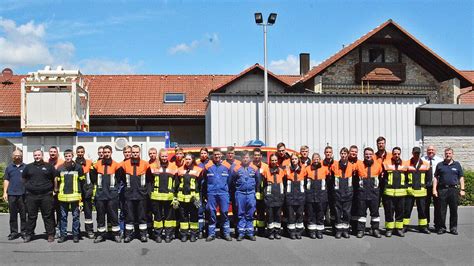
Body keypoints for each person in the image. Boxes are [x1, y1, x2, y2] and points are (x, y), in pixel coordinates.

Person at [22, 149, 56, 242]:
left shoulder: (49, 166)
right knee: (31, 216)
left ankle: (50, 234)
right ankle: (29, 234)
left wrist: (55, 190)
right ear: (34, 156)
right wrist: (29, 188)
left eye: (39, 155)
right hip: (31, 196)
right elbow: (24, 179)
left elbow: (55, 179)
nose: (37, 157)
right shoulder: (28, 167)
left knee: (48, 215)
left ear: (42, 155)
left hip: (46, 195)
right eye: (35, 155)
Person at [90, 145, 122, 243]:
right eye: (105, 152)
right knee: (100, 216)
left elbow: (119, 178)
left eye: (108, 152)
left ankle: (116, 234)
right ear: (102, 153)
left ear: (111, 153)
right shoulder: (96, 165)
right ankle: (100, 235)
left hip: (112, 195)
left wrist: (114, 190)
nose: (106, 154)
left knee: (113, 215)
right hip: (100, 194)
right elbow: (93, 177)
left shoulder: (117, 165)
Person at [118, 145, 150, 243]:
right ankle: (128, 235)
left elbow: (149, 180)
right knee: (129, 216)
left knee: (142, 216)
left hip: (142, 195)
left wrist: (147, 192)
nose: (135, 154)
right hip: (129, 195)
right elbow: (120, 178)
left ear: (139, 152)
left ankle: (143, 235)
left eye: (137, 152)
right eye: (133, 152)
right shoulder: (124, 164)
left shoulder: (145, 164)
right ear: (131, 153)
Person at [55, 149, 85, 243]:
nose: (68, 158)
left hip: (75, 196)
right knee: (63, 217)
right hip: (63, 196)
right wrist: (56, 189)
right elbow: (57, 180)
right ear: (64, 157)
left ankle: (75, 235)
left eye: (69, 156)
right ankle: (63, 235)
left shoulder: (78, 167)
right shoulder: (60, 168)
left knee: (75, 217)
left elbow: (82, 182)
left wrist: (81, 196)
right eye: (66, 156)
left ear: (72, 156)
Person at [433, 148, 465, 235]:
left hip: (453, 190)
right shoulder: (440, 165)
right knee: (441, 210)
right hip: (442, 190)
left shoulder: (457, 165)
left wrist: (462, 189)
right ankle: (442, 228)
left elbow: (461, 177)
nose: (448, 155)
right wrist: (434, 189)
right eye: (446, 153)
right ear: (444, 154)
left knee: (454, 210)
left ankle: (453, 228)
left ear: (452, 154)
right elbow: (436, 178)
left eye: (449, 153)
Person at [148, 148, 178, 243]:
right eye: (162, 156)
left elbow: (176, 182)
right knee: (158, 217)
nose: (164, 158)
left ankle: (168, 235)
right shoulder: (153, 166)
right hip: (156, 196)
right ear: (159, 157)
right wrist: (149, 193)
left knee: (169, 218)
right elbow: (149, 181)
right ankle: (158, 235)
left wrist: (175, 195)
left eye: (165, 156)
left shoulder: (173, 167)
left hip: (169, 196)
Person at [203, 148, 232, 241]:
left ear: (221, 155)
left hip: (223, 193)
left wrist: (228, 192)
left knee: (224, 212)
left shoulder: (227, 166)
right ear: (212, 155)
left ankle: (226, 233)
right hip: (211, 193)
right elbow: (204, 180)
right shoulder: (208, 166)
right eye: (215, 154)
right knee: (212, 213)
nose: (217, 156)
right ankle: (211, 234)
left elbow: (230, 181)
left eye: (218, 154)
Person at [355, 147, 383, 238]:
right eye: (366, 154)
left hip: (374, 193)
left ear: (373, 155)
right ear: (364, 155)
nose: (368, 156)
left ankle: (375, 229)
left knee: (375, 213)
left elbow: (381, 178)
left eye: (370, 154)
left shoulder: (378, 165)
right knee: (361, 213)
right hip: (362, 194)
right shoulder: (358, 165)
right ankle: (360, 230)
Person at [231, 151, 259, 241]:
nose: (245, 159)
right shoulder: (236, 168)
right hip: (240, 194)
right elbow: (232, 181)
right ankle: (241, 233)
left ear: (249, 158)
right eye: (243, 158)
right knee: (240, 213)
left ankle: (250, 233)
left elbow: (258, 181)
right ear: (241, 159)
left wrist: (255, 191)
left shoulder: (254, 168)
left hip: (251, 193)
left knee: (250, 213)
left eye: (247, 157)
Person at [175, 153, 202, 242]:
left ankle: (194, 235)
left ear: (193, 160)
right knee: (183, 217)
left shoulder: (199, 170)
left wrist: (199, 198)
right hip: (182, 198)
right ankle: (184, 234)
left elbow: (200, 186)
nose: (187, 161)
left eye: (189, 159)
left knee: (194, 217)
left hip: (193, 198)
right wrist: (175, 197)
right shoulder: (179, 170)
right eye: (186, 159)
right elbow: (177, 185)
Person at [382, 147, 408, 237]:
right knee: (389, 212)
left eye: (398, 154)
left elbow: (408, 177)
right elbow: (383, 178)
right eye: (395, 154)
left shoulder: (405, 164)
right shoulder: (386, 163)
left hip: (401, 193)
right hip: (389, 193)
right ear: (392, 154)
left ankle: (399, 229)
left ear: (400, 154)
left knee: (400, 212)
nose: (396, 155)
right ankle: (389, 229)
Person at [404, 147, 430, 234]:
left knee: (422, 210)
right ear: (412, 153)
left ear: (420, 154)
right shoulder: (407, 163)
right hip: (410, 191)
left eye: (418, 153)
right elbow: (404, 177)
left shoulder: (426, 164)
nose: (416, 155)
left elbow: (429, 178)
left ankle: (423, 227)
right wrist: (407, 186)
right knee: (407, 210)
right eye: (415, 153)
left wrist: (425, 186)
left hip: (421, 191)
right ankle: (405, 226)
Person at [330, 147, 355, 239]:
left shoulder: (352, 166)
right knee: (337, 213)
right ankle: (338, 231)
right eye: (342, 153)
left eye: (345, 153)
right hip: (337, 193)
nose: (343, 155)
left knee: (347, 213)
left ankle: (345, 230)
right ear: (340, 154)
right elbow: (331, 180)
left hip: (348, 194)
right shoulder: (334, 165)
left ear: (347, 155)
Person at [304, 153, 330, 239]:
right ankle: (312, 231)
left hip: (321, 196)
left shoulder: (325, 169)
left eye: (317, 158)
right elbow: (303, 182)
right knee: (311, 214)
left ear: (320, 159)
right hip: (310, 195)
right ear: (312, 160)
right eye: (314, 158)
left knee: (320, 213)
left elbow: (329, 182)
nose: (316, 160)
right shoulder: (307, 169)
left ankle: (319, 231)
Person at [3, 149, 27, 240]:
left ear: (21, 156)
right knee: (12, 214)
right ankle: (13, 232)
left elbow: (29, 180)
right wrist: (5, 192)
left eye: (19, 155)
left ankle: (24, 232)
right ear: (12, 157)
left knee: (23, 214)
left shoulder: (26, 167)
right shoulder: (9, 168)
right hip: (12, 194)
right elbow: (6, 180)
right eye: (15, 155)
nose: (17, 156)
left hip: (23, 194)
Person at [263, 154, 285, 240]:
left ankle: (277, 232)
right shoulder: (266, 171)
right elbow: (263, 185)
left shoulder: (281, 171)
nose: (274, 162)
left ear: (277, 161)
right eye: (272, 160)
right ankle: (270, 232)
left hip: (279, 197)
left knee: (278, 216)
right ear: (270, 161)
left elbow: (284, 184)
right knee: (270, 216)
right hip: (269, 198)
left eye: (275, 160)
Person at [421, 145, 443, 230]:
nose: (431, 151)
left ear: (435, 151)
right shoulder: (422, 160)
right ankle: (425, 224)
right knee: (425, 206)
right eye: (429, 150)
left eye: (432, 150)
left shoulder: (440, 160)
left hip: (437, 186)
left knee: (438, 206)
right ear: (426, 151)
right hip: (425, 186)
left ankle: (437, 224)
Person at [285, 153, 306, 240]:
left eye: (295, 159)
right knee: (291, 215)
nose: (294, 160)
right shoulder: (287, 169)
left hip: (300, 196)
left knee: (299, 215)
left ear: (298, 160)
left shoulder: (303, 169)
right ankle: (292, 232)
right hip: (290, 196)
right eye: (292, 159)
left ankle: (299, 232)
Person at [75, 146, 95, 239]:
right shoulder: (73, 163)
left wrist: (90, 189)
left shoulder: (89, 163)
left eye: (81, 152)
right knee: (76, 212)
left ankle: (89, 230)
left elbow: (93, 177)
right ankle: (76, 230)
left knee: (88, 212)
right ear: (76, 153)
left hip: (87, 190)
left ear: (84, 152)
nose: (80, 153)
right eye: (78, 152)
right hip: (76, 191)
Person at [251, 148, 269, 236]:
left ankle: (261, 231)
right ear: (252, 156)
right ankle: (252, 230)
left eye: (258, 155)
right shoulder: (249, 166)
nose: (257, 157)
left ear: (261, 156)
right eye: (255, 155)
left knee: (261, 213)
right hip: (251, 193)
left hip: (262, 194)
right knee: (252, 212)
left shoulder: (265, 167)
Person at [47, 146, 64, 239]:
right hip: (49, 192)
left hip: (60, 191)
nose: (52, 153)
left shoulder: (62, 163)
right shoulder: (46, 163)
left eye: (54, 152)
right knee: (50, 211)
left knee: (59, 211)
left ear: (57, 153)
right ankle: (52, 229)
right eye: (51, 152)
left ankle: (59, 228)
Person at [196, 147, 210, 238]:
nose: (203, 155)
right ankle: (200, 231)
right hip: (199, 191)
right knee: (199, 210)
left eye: (205, 153)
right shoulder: (197, 164)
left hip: (209, 190)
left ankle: (208, 231)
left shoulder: (211, 163)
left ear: (207, 154)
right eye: (202, 153)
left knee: (209, 211)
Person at [348, 145, 361, 234]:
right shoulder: (344, 162)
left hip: (357, 189)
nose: (354, 153)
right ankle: (347, 226)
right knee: (347, 208)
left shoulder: (360, 163)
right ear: (349, 152)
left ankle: (355, 227)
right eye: (352, 151)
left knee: (356, 208)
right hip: (347, 189)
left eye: (355, 152)